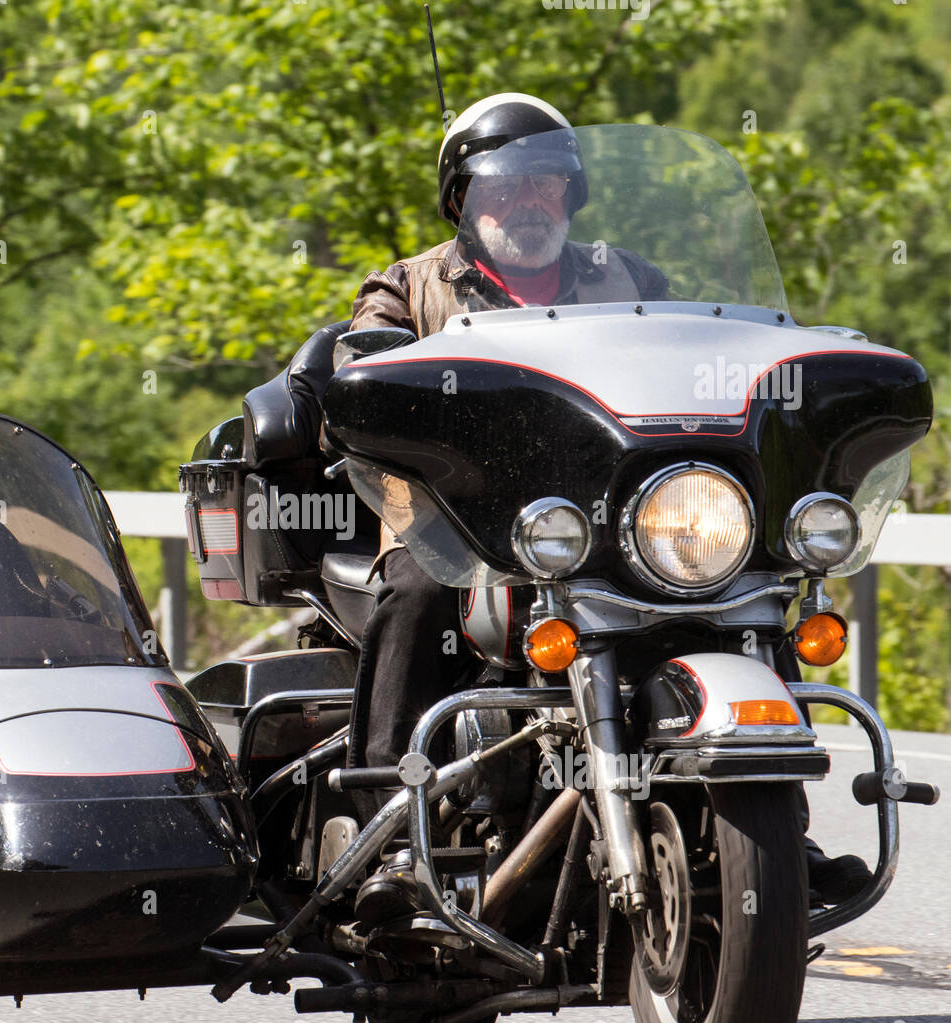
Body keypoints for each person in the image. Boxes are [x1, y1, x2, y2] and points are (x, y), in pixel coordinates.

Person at [343, 91, 870, 910]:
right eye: (504, 184)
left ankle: (777, 833)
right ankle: (391, 839)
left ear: (571, 193)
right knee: (414, 594)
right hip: (460, 528)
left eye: (547, 181)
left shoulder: (623, 278)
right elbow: (357, 379)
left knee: (746, 591)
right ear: (462, 199)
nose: (527, 200)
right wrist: (369, 373)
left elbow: (701, 360)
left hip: (613, 530)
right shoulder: (409, 286)